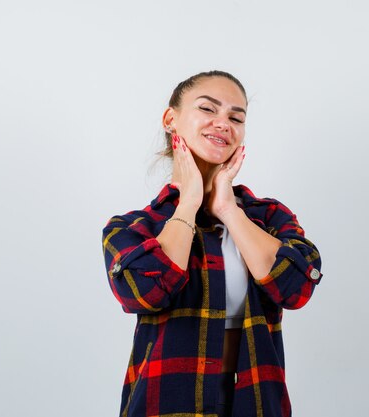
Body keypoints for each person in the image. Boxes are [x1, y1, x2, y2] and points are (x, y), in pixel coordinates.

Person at [101, 70, 323, 417]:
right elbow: (146, 293)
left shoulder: (269, 217)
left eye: (236, 117)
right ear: (170, 119)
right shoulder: (132, 228)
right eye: (208, 109)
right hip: (166, 403)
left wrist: (228, 210)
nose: (223, 123)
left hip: (256, 401)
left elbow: (295, 289)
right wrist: (188, 202)